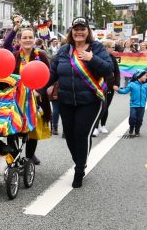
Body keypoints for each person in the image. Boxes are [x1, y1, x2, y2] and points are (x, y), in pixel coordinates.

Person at [46, 17, 113, 188]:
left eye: (82, 29)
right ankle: (80, 161)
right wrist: (37, 89)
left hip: (90, 101)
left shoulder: (96, 48)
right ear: (71, 32)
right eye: (76, 29)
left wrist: (92, 58)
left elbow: (108, 69)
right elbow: (51, 75)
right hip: (66, 101)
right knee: (69, 135)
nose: (79, 32)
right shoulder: (63, 50)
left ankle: (79, 170)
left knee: (81, 133)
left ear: (88, 31)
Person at [11, 27, 52, 164]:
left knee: (33, 129)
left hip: (36, 99)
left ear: (34, 39)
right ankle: (14, 156)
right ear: (19, 40)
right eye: (25, 37)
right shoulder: (15, 56)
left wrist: (39, 91)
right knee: (13, 128)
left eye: (30, 37)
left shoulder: (41, 55)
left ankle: (29, 156)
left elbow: (48, 76)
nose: (28, 40)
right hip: (17, 99)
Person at [96, 43, 123, 137]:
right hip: (98, 85)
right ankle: (95, 127)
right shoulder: (96, 56)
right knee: (97, 106)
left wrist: (116, 83)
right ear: (106, 48)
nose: (113, 49)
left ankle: (102, 125)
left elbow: (117, 72)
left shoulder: (112, 58)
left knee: (106, 106)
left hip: (110, 86)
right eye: (112, 47)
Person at [116, 67, 147, 137]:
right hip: (133, 105)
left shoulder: (145, 85)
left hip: (142, 106)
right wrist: (118, 89)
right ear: (139, 76)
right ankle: (131, 128)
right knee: (132, 118)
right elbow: (124, 91)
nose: (146, 77)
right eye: (145, 75)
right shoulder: (132, 84)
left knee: (139, 119)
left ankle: (137, 130)